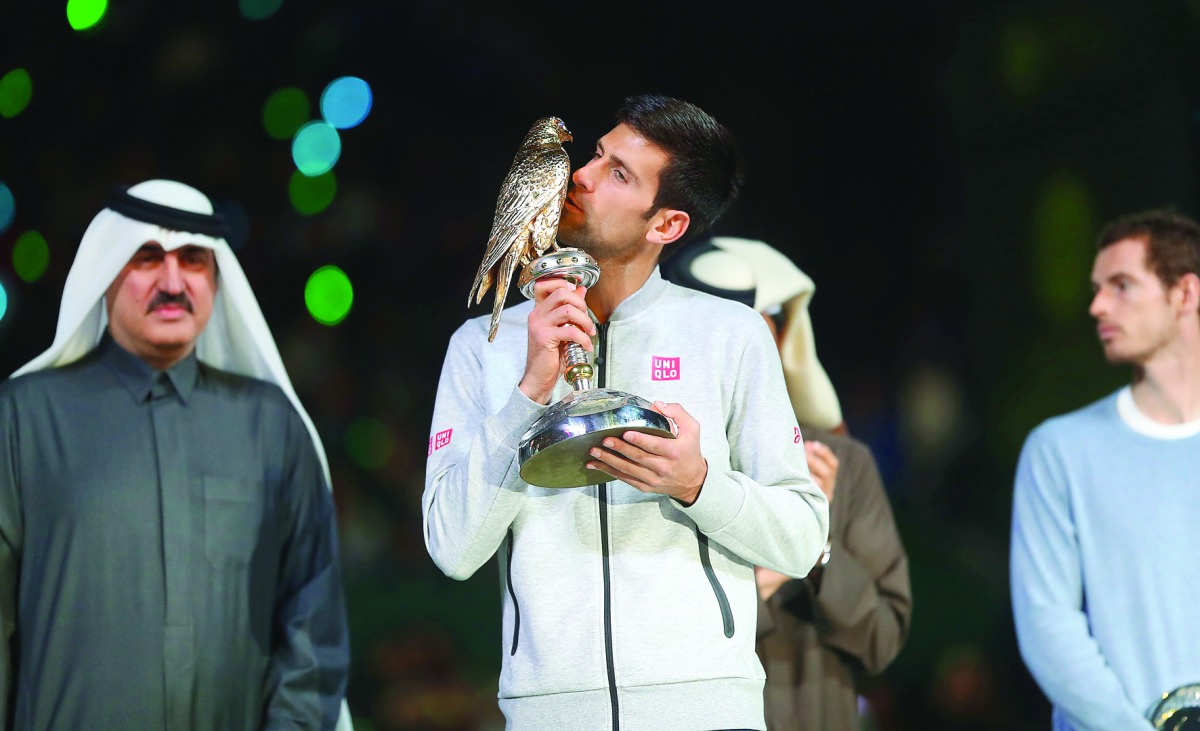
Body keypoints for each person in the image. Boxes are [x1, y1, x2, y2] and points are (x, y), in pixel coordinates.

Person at [423, 95, 829, 730]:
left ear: (665, 225)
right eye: (595, 155)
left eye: (618, 174)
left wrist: (697, 485)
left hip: (706, 709)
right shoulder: (484, 345)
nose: (580, 176)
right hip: (551, 714)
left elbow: (803, 538)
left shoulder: (730, 334)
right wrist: (529, 393)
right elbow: (452, 548)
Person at [0, 180, 351, 730]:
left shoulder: (271, 426)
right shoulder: (24, 419)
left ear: (215, 279)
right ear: (107, 272)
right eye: (146, 259)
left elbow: (311, 631)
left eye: (192, 260)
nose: (171, 282)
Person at [662, 237, 912, 731]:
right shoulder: (651, 458)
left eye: (762, 328)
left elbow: (882, 639)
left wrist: (813, 549)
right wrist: (756, 580)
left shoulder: (842, 462)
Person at [1010, 209, 1200, 730]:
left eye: (1121, 285)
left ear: (1185, 294)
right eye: (1097, 288)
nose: (1096, 306)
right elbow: (1048, 627)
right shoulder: (1060, 450)